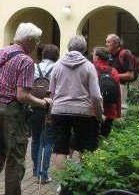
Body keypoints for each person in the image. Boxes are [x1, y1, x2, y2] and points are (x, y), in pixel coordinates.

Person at [0, 23, 51, 195]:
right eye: (37, 40)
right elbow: (22, 95)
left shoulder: (1, 52)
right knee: (15, 159)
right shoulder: (26, 61)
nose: (37, 44)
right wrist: (44, 103)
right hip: (10, 111)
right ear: (30, 40)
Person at [49, 35, 103, 173]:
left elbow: (52, 92)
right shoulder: (89, 66)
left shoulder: (57, 65)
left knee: (60, 149)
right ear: (84, 49)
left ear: (68, 47)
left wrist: (52, 110)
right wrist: (98, 115)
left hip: (59, 111)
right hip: (83, 113)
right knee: (80, 146)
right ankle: (77, 180)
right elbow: (96, 96)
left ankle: (62, 184)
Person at [30, 44, 59, 184]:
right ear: (56, 55)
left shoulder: (34, 67)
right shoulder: (58, 67)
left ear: (43, 55)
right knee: (47, 142)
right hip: (50, 108)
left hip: (34, 106)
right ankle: (43, 175)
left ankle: (36, 170)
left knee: (35, 140)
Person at [92, 46, 121, 137]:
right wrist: (118, 113)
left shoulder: (91, 69)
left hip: (93, 111)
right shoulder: (114, 71)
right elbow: (118, 94)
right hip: (110, 111)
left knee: (92, 138)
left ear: (97, 57)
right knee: (104, 138)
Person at [106, 34, 135, 117]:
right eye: (106, 42)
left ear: (116, 44)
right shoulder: (109, 55)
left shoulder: (125, 54)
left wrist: (114, 76)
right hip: (110, 86)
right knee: (110, 108)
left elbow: (130, 75)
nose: (106, 44)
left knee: (122, 108)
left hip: (121, 86)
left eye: (108, 42)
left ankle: (121, 128)